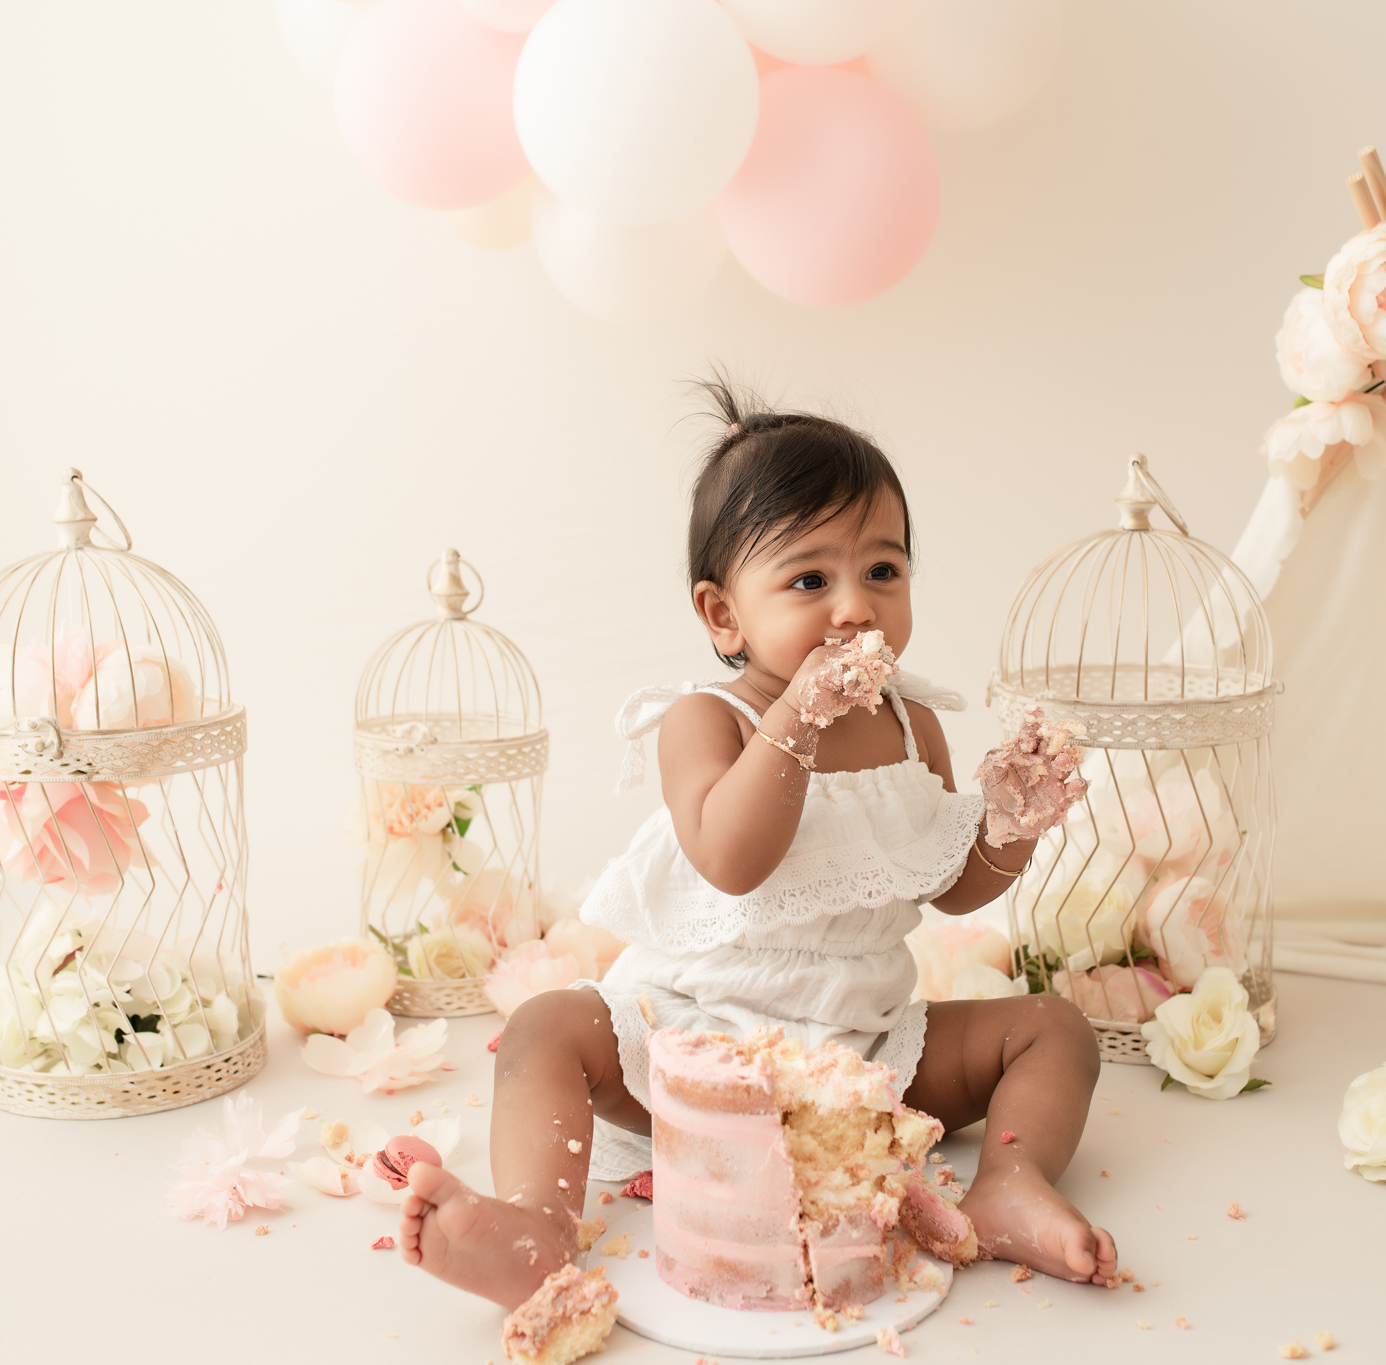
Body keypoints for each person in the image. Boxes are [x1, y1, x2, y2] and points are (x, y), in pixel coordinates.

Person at [397, 382, 1117, 1307]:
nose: (854, 607)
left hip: (863, 1051)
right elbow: (733, 861)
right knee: (544, 1027)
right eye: (810, 579)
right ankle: (536, 1221)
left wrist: (1009, 824)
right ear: (723, 615)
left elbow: (950, 886)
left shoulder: (913, 727)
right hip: (691, 1040)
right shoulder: (710, 720)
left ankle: (1012, 1185)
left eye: (884, 572)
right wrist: (797, 718)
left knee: (1053, 1028)